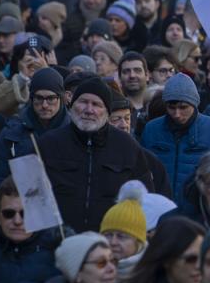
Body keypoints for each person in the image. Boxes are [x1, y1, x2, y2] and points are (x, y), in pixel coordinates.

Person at [39, 75, 167, 233]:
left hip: (110, 243)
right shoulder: (49, 143)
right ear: (72, 106)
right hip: (56, 242)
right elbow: (31, 197)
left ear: (107, 112)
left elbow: (146, 198)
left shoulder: (127, 146)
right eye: (83, 102)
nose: (89, 110)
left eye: (96, 104)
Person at [140, 72, 210, 202]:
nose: (177, 114)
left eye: (183, 107)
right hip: (160, 205)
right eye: (172, 107)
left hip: (199, 208)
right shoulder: (151, 130)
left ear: (194, 104)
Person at [0, 67, 68, 197]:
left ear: (60, 98)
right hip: (20, 207)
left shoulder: (74, 132)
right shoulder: (12, 132)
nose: (44, 105)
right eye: (39, 98)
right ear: (31, 98)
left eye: (51, 98)